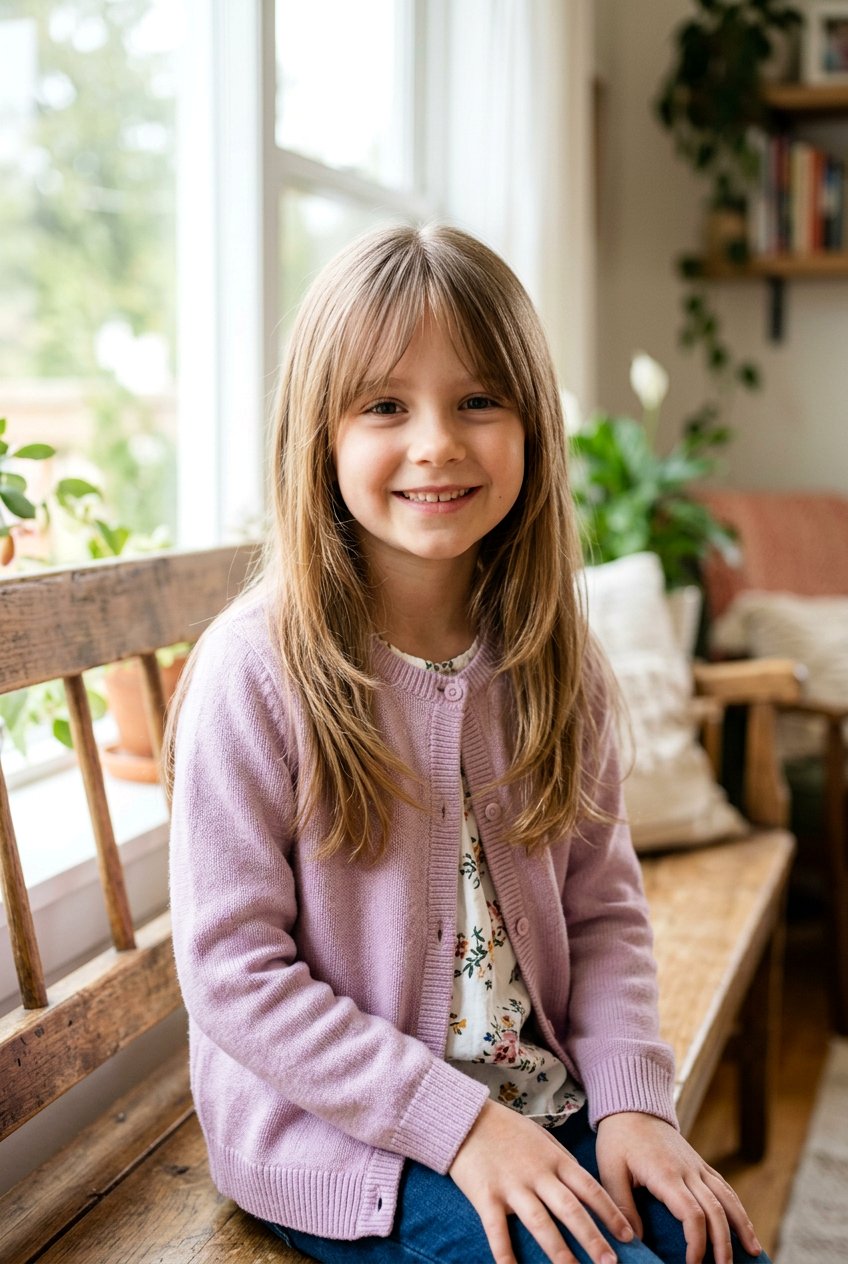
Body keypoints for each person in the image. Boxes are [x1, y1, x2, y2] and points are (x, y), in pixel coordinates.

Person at [167, 223, 770, 1264]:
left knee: (716, 1244)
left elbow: (602, 910)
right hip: (352, 1141)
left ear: (531, 425)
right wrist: (459, 1125)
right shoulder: (255, 670)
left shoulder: (549, 657)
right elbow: (232, 972)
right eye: (385, 405)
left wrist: (633, 1101)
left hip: (539, 1102)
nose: (437, 440)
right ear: (320, 434)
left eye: (477, 400)